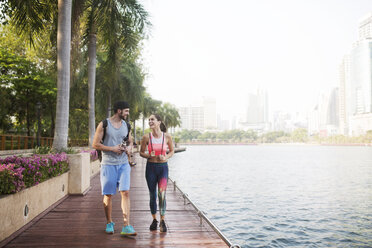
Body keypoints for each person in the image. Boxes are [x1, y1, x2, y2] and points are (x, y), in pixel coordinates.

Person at [92, 101, 136, 236]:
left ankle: (126, 225)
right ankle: (109, 222)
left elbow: (130, 141)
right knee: (108, 195)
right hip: (108, 164)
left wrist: (129, 148)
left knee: (125, 192)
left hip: (123, 164)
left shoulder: (127, 126)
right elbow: (95, 144)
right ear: (119, 111)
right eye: (126, 111)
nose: (128, 114)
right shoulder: (104, 124)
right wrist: (112, 148)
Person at [139, 114, 174, 232]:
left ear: (159, 122)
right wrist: (149, 155)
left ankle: (162, 221)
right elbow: (141, 152)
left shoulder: (167, 136)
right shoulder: (146, 137)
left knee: (162, 195)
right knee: (152, 195)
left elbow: (172, 151)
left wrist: (166, 157)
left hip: (163, 168)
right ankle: (154, 219)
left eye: (152, 119)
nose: (150, 121)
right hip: (151, 169)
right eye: (149, 120)